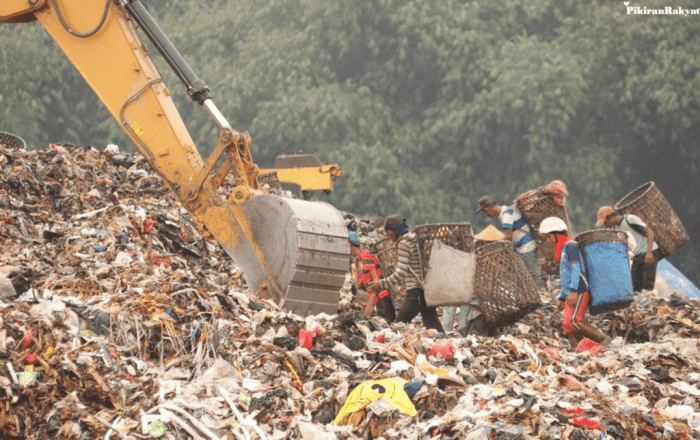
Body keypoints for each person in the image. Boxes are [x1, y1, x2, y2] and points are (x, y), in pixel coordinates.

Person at [539, 216, 611, 349]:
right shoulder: (562, 250)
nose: (548, 241)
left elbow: (576, 268)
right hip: (571, 290)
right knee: (567, 324)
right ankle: (576, 350)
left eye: (549, 237)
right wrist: (562, 297)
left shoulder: (570, 246)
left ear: (557, 235)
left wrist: (572, 291)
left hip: (579, 288)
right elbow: (565, 276)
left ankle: (604, 340)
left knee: (575, 321)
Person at [368, 215, 444, 333]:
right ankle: (445, 345)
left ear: (393, 231)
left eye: (388, 232)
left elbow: (400, 274)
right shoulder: (415, 239)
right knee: (433, 325)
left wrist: (381, 284)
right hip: (425, 289)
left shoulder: (404, 243)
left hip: (415, 292)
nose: (389, 236)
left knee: (399, 324)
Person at [596, 206, 662, 294]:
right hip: (638, 255)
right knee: (635, 286)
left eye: (605, 222)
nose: (606, 225)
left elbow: (649, 232)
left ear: (610, 217)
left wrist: (649, 253)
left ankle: (649, 300)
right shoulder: (615, 229)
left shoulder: (630, 219)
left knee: (647, 285)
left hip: (650, 251)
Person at [476, 195, 542, 284]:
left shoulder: (506, 215)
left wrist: (492, 246)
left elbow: (508, 237)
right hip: (522, 246)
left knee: (534, 274)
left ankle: (541, 293)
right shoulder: (507, 210)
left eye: (485, 210)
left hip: (526, 246)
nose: (486, 213)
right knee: (526, 274)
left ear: (490, 206)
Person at [349, 231, 396, 323]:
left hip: (383, 298)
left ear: (350, 245)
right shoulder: (359, 259)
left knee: (386, 326)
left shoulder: (365, 256)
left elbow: (376, 280)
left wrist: (370, 305)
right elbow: (358, 285)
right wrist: (357, 268)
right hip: (379, 301)